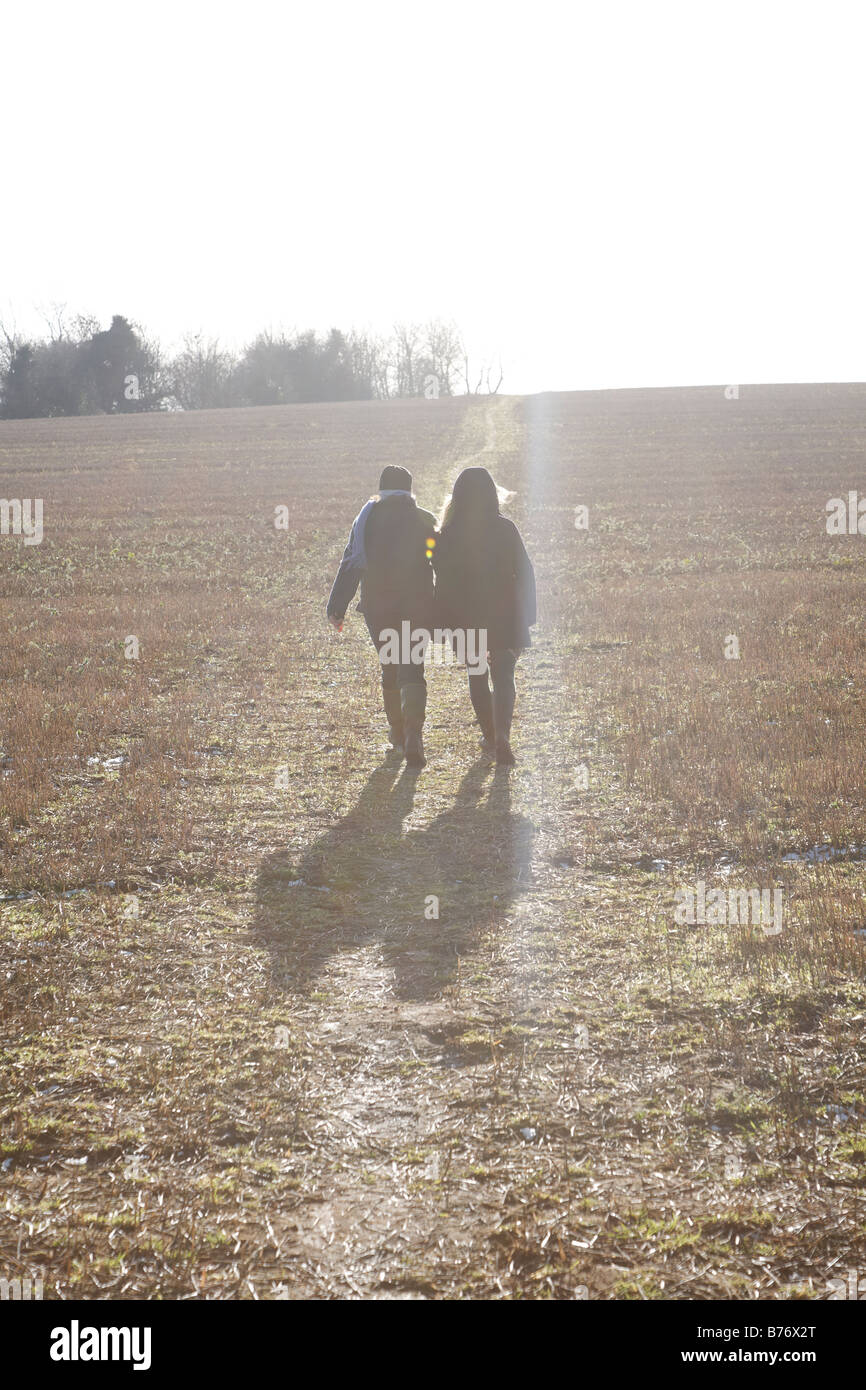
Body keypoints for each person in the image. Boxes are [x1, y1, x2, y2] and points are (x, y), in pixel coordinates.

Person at [326, 465, 438, 769]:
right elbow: (438, 559)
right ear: (410, 490)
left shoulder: (366, 521)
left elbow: (351, 564)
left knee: (391, 664)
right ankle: (414, 734)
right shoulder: (424, 519)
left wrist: (337, 607)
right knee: (412, 668)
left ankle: (398, 732)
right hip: (418, 605)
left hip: (380, 606)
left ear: (381, 489)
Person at [432, 466, 536, 765]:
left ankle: (490, 737)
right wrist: (527, 613)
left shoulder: (447, 534)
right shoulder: (506, 529)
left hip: (466, 615)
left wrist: (444, 622)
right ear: (492, 495)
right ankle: (503, 735)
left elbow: (441, 579)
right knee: (504, 674)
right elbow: (526, 572)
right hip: (505, 612)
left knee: (477, 675)